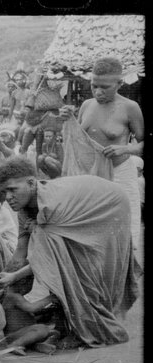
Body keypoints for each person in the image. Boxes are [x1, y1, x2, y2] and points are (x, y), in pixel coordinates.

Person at [0, 156, 137, 347]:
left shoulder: (51, 205)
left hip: (109, 204)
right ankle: (68, 318)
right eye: (4, 192)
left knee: (78, 269)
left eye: (12, 190)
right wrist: (0, 280)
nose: (8, 197)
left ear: (32, 183)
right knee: (58, 253)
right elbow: (20, 252)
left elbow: (50, 259)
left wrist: (14, 277)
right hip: (80, 206)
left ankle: (86, 322)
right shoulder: (25, 209)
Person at [60, 56, 144, 259]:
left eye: (105, 87)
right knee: (92, 227)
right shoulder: (88, 105)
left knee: (125, 227)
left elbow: (142, 143)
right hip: (91, 175)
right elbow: (77, 141)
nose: (98, 92)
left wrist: (125, 150)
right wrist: (66, 122)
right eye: (94, 85)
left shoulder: (130, 108)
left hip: (120, 174)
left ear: (119, 84)